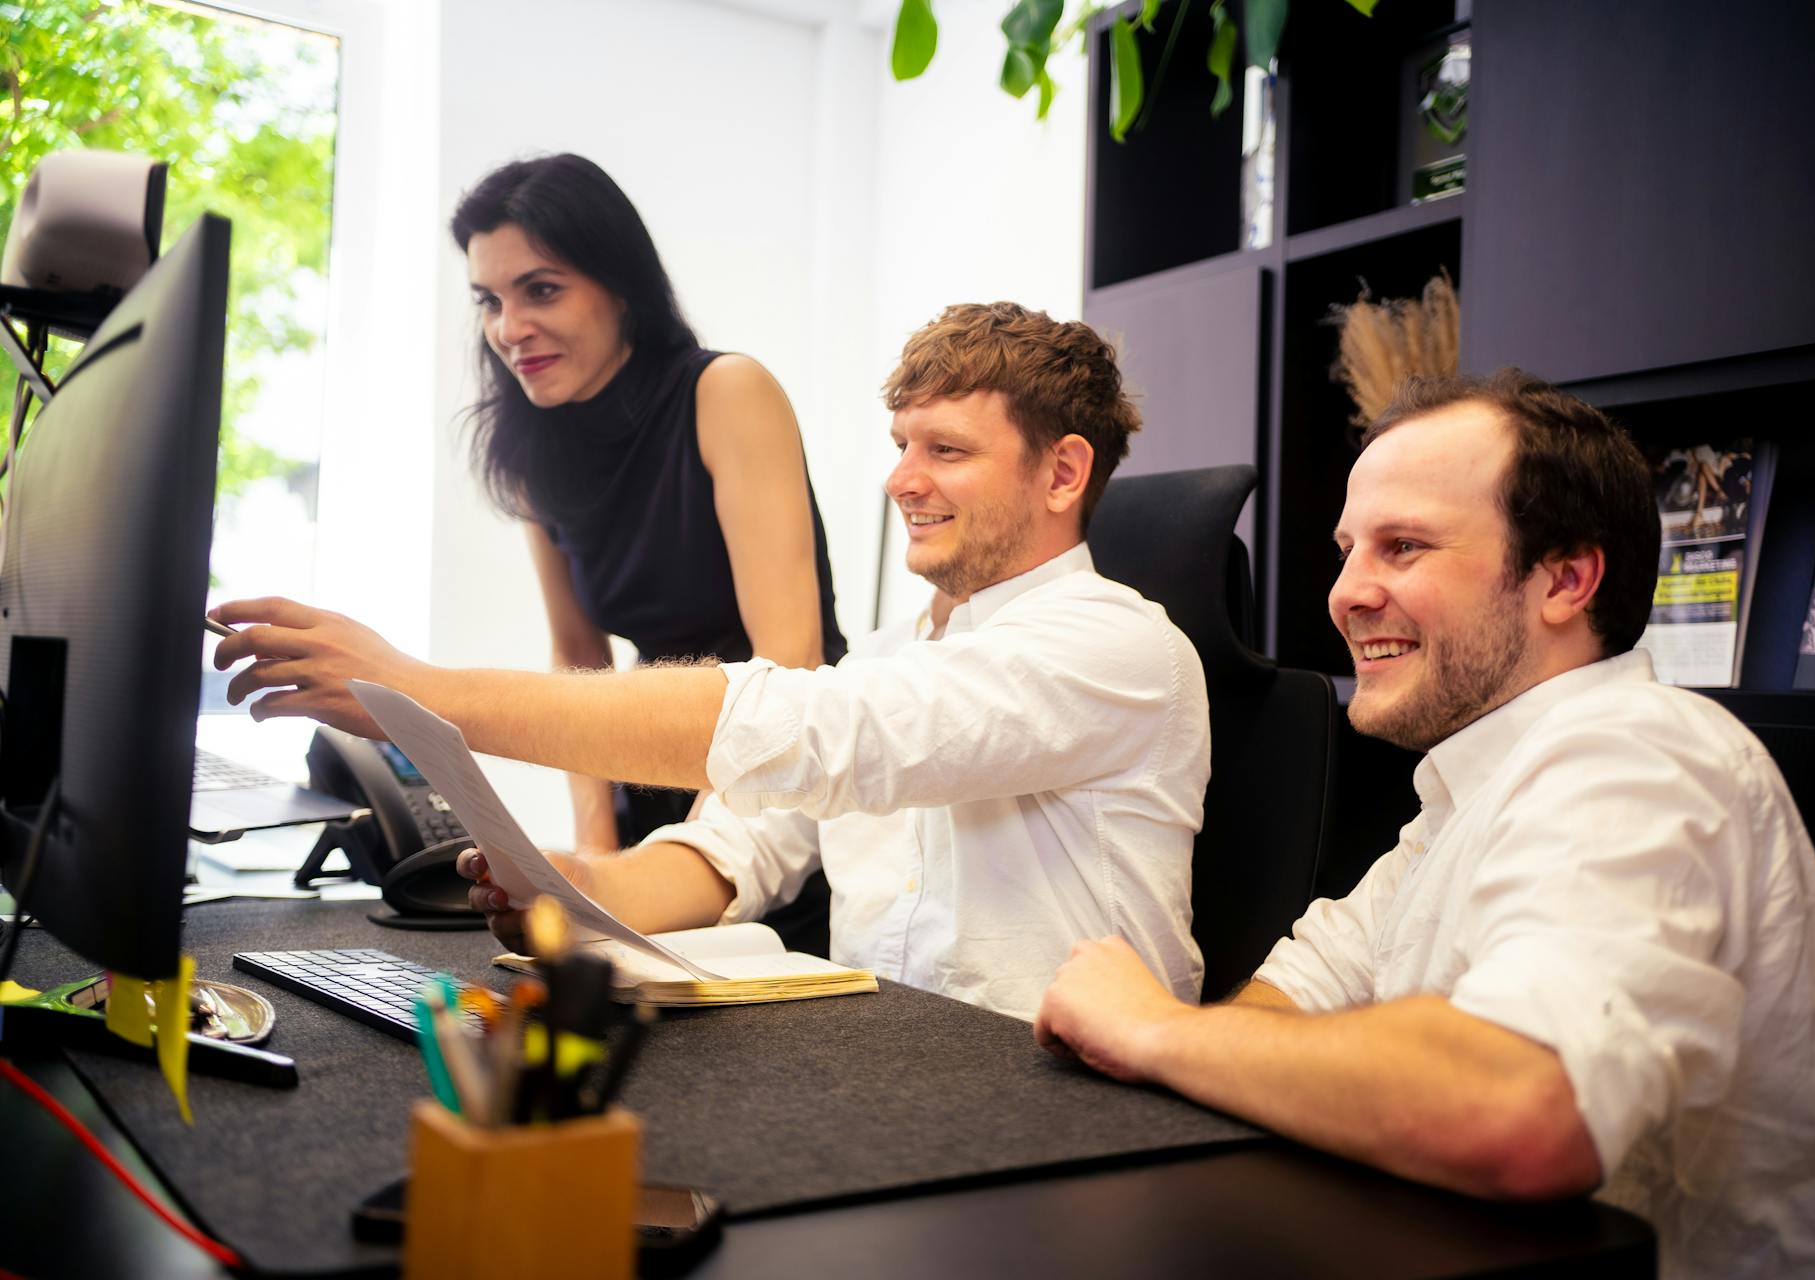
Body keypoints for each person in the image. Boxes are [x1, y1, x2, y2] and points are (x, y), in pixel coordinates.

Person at [1031, 370, 1815, 1277]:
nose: (1344, 594)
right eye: (1349, 551)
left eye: (1403, 546)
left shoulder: (1641, 755)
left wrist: (1154, 1028)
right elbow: (1291, 1000)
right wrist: (1243, 1052)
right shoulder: (1463, 797)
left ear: (1567, 579)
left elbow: (1525, 1109)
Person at [212, 302, 1209, 1021]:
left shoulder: (1117, 646)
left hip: (1060, 1103)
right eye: (901, 443)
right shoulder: (903, 656)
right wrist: (572, 886)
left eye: (945, 450)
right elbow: (739, 846)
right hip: (902, 1073)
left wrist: (419, 693)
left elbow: (817, 733)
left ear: (1064, 471)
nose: (902, 479)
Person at [451, 153, 846, 946]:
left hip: (780, 780)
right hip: (657, 762)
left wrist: (699, 848)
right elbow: (578, 659)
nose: (509, 328)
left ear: (619, 285)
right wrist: (596, 847)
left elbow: (790, 660)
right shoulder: (532, 449)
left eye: (542, 289)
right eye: (490, 300)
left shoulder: (727, 392)